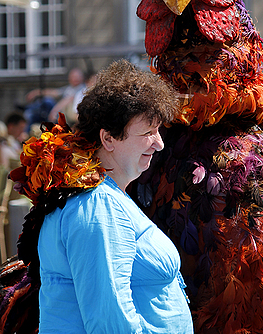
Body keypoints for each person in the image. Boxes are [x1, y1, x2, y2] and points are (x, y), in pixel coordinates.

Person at [10, 59, 193, 334]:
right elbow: (110, 323)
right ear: (108, 139)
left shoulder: (99, 197)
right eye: (147, 133)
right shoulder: (97, 206)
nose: (159, 143)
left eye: (158, 131)